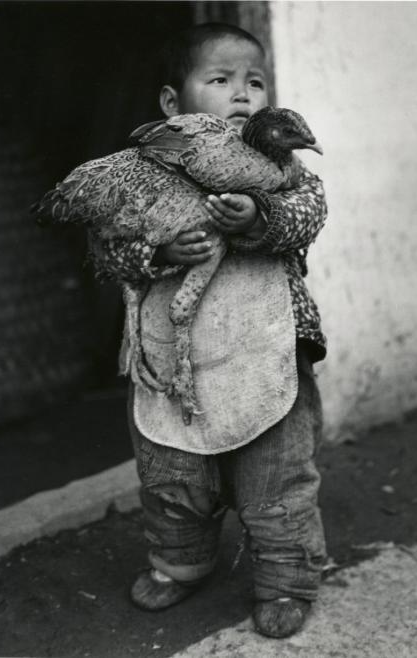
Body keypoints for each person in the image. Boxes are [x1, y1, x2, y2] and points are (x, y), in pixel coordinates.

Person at [102, 22, 328, 639]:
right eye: (221, 80)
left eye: (255, 82)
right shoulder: (151, 173)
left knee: (275, 478)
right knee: (175, 477)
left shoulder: (285, 169)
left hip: (267, 353)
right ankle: (182, 561)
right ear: (174, 104)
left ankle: (286, 578)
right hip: (174, 361)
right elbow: (113, 250)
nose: (242, 96)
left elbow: (309, 214)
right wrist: (161, 250)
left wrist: (261, 215)